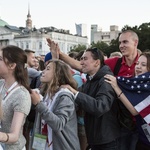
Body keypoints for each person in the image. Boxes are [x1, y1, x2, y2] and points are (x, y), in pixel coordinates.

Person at [46, 30, 140, 150]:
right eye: (120, 42)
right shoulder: (112, 65)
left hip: (139, 122)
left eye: (125, 42)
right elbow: (83, 66)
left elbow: (99, 106)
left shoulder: (144, 62)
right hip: (120, 125)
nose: (121, 45)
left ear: (135, 42)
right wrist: (59, 54)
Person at [60, 48, 121, 150]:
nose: (81, 62)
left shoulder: (106, 80)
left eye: (85, 59)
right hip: (97, 139)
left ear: (97, 62)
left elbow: (100, 107)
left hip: (107, 141)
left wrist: (75, 92)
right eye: (81, 59)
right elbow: (77, 99)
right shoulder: (91, 79)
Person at [104, 51, 150, 150]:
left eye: (143, 65)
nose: (138, 67)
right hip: (141, 136)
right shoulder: (136, 83)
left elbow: (134, 111)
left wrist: (116, 87)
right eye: (137, 63)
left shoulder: (147, 86)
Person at [30, 60, 80, 150]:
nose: (43, 71)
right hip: (45, 144)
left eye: (48, 69)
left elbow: (58, 124)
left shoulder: (65, 96)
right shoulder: (46, 93)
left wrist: (38, 104)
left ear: (58, 74)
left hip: (62, 146)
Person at [0, 45, 31, 150]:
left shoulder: (22, 95)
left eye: (0, 59)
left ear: (12, 65)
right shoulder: (1, 84)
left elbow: (14, 136)